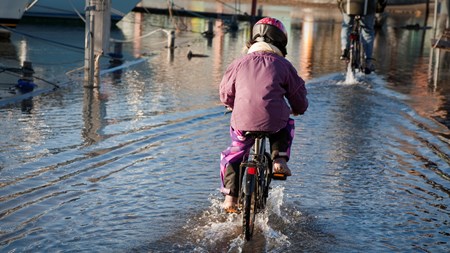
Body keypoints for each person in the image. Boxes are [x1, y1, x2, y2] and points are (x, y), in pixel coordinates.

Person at [219, 17, 308, 212]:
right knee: (285, 124)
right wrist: (299, 109)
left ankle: (230, 199)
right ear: (281, 42)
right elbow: (298, 96)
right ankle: (279, 159)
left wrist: (230, 104)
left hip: (242, 121)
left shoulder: (239, 63)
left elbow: (225, 93)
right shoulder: (284, 65)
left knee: (235, 153)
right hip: (274, 121)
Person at [337, 0, 386, 74]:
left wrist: (341, 5)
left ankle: (344, 50)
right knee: (368, 31)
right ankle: (368, 62)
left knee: (346, 26)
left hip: (348, 5)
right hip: (367, 6)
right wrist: (380, 7)